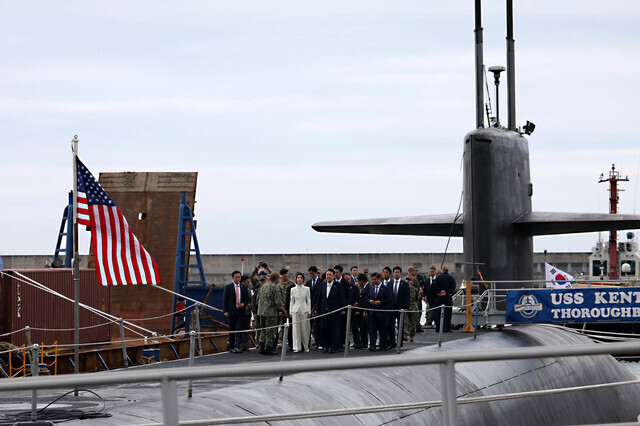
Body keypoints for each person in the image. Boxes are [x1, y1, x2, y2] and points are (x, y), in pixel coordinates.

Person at [315, 269, 346, 353]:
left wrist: (343, 309)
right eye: (327, 275)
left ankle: (334, 346)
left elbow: (342, 298)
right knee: (324, 329)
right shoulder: (322, 285)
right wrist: (317, 309)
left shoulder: (338, 285)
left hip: (335, 312)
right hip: (324, 311)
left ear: (333, 276)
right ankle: (326, 345)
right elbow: (319, 298)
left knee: (334, 330)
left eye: (330, 275)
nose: (328, 276)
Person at [256, 272, 285, 355]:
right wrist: (283, 310)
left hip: (261, 312)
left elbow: (258, 298)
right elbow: (278, 301)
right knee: (270, 330)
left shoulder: (263, 286)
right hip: (270, 313)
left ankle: (261, 347)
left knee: (263, 329)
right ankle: (269, 348)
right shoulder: (275, 287)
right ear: (276, 279)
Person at [222, 270, 250, 353]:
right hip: (231, 312)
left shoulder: (244, 288)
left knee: (238, 330)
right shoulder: (228, 287)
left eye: (239, 277)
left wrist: (243, 304)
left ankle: (237, 346)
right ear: (233, 278)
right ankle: (232, 347)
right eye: (236, 277)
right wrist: (225, 311)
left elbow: (246, 299)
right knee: (232, 330)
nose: (238, 279)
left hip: (240, 312)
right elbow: (225, 300)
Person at [388, 266, 410, 348]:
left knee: (401, 326)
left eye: (398, 272)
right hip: (391, 308)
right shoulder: (390, 283)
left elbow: (407, 297)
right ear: (393, 274)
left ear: (400, 273)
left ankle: (400, 343)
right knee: (390, 326)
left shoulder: (404, 284)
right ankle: (392, 342)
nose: (396, 274)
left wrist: (406, 307)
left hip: (401, 308)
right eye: (395, 272)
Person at [368, 272, 391, 351]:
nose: (373, 281)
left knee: (382, 330)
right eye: (372, 279)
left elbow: (389, 300)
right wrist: (370, 301)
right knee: (372, 330)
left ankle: (383, 345)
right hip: (373, 313)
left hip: (382, 313)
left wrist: (380, 302)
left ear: (379, 279)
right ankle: (372, 345)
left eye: (374, 279)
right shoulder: (371, 288)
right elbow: (367, 298)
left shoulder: (385, 289)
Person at [289, 272, 311, 352]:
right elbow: (291, 301)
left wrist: (309, 311)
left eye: (301, 278)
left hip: (304, 310)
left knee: (305, 329)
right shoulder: (293, 289)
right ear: (296, 279)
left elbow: (308, 300)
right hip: (295, 310)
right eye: (298, 278)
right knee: (296, 329)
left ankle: (306, 346)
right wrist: (290, 312)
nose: (299, 279)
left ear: (303, 279)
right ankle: (297, 347)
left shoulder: (307, 289)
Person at [432, 265, 456, 332]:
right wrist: (447, 291)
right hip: (448, 296)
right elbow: (453, 286)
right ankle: (446, 328)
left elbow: (434, 285)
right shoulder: (451, 278)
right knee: (448, 313)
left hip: (440, 296)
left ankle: (438, 328)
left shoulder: (438, 277)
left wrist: (440, 291)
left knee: (439, 312)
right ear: (447, 270)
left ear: (442, 270)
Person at [305, 266, 321, 347]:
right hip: (309, 307)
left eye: (312, 273)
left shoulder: (321, 282)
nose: (310, 275)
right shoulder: (308, 283)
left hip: (318, 307)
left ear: (315, 273)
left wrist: (316, 307)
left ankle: (319, 342)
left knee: (318, 326)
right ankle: (307, 343)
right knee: (308, 326)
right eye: (309, 273)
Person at [354, 273, 370, 349]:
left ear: (361, 281)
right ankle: (364, 342)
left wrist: (365, 311)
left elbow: (366, 300)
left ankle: (365, 343)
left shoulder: (368, 288)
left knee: (364, 327)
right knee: (363, 327)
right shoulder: (365, 288)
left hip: (365, 310)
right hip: (363, 309)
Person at [403, 274, 420, 342]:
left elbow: (417, 299)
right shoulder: (403, 289)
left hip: (413, 307)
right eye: (406, 280)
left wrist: (417, 307)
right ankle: (406, 334)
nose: (407, 281)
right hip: (406, 307)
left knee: (413, 323)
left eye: (409, 280)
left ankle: (412, 335)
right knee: (406, 322)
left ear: (411, 281)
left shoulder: (415, 290)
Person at [239, 275, 252, 351]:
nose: (248, 283)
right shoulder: (239, 289)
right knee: (240, 329)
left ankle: (245, 345)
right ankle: (241, 344)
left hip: (247, 312)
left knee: (246, 329)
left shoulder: (249, 290)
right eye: (247, 281)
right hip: (241, 312)